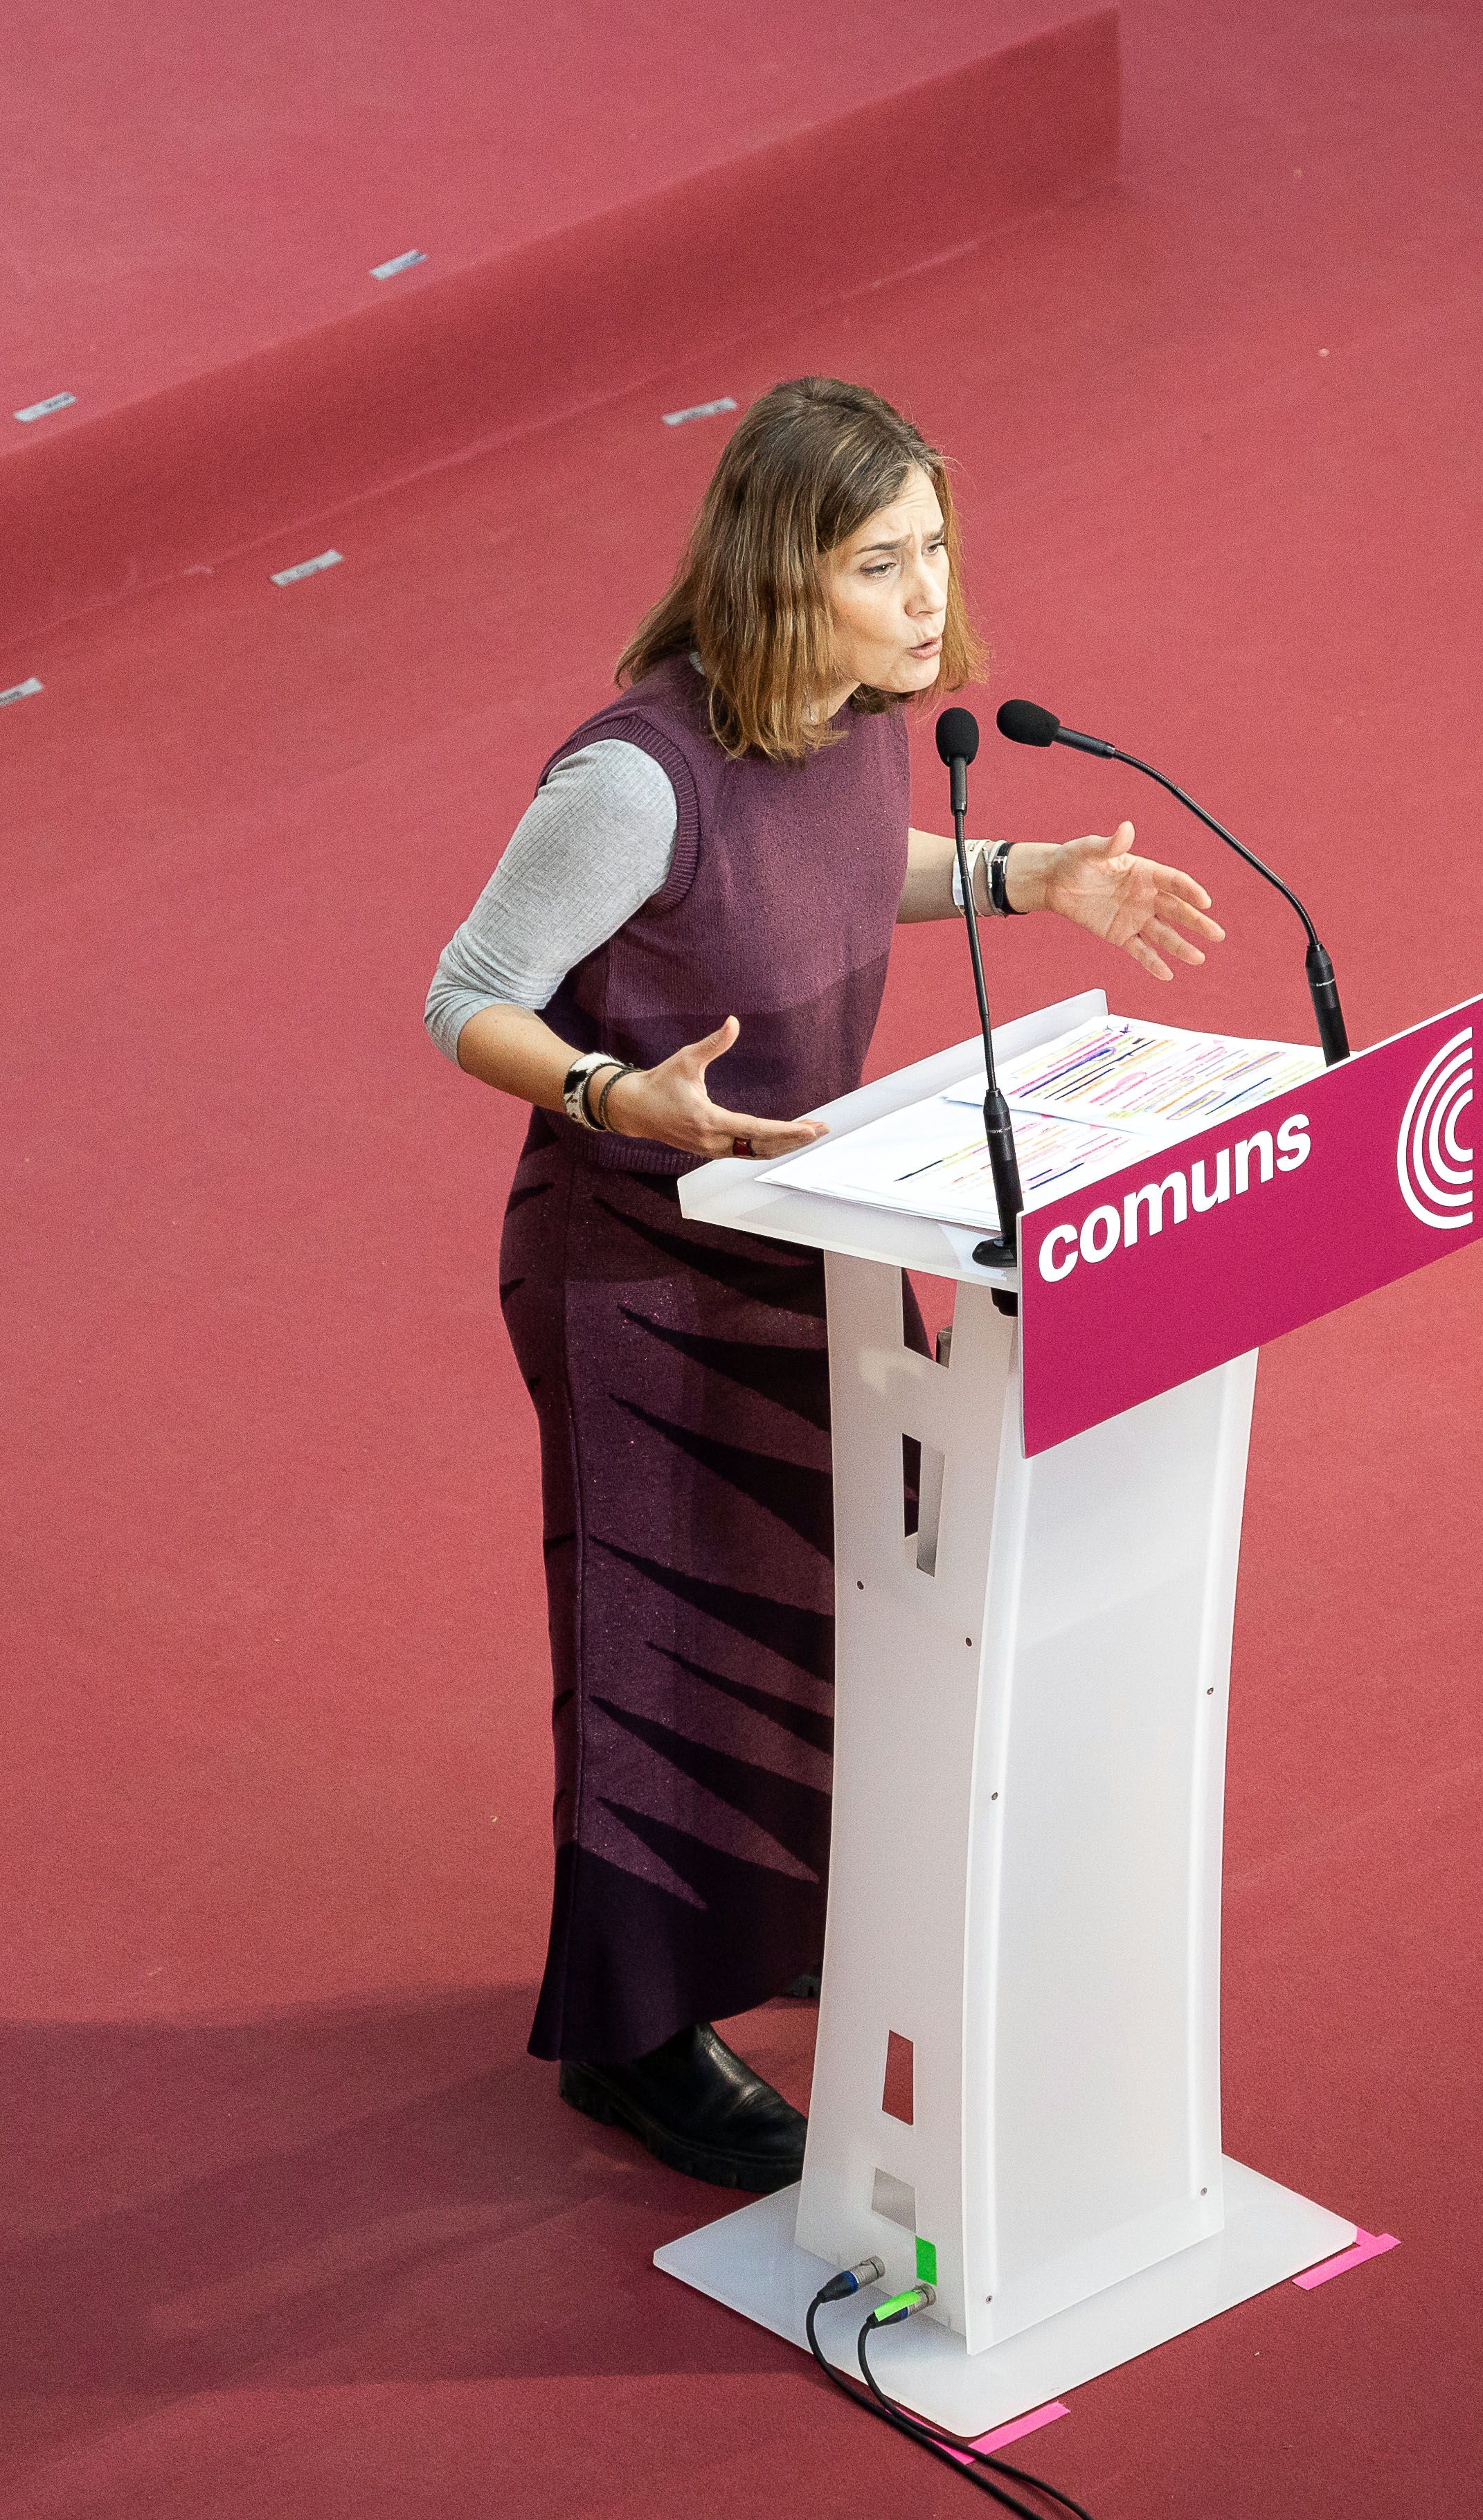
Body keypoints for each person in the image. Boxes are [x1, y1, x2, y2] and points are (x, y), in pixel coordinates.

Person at [426, 378, 1222, 2190]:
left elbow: (855, 864)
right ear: (785, 568)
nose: (928, 593)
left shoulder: (871, 722)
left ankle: (762, 1910)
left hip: (821, 1241)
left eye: (936, 547)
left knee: (835, 1602)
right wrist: (615, 1090)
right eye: (884, 561)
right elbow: (460, 990)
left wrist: (1033, 877)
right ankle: (629, 2036)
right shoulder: (633, 777)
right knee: (660, 1654)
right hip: (631, 1269)